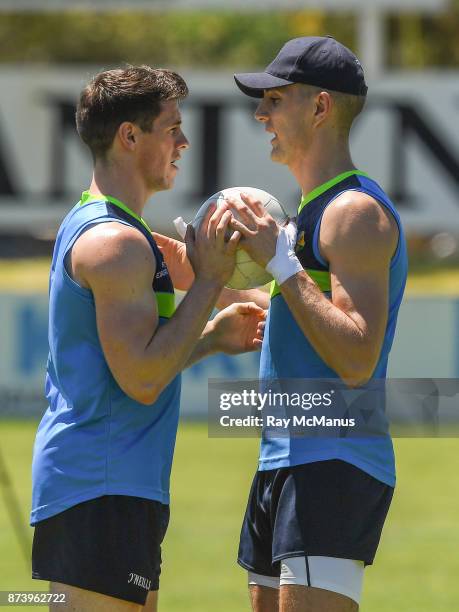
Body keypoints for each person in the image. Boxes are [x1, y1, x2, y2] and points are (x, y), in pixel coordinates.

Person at [158, 36, 407, 612]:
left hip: (333, 460)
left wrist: (282, 263)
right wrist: (201, 274)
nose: (260, 113)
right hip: (285, 458)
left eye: (276, 98)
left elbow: (356, 357)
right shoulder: (315, 211)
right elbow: (299, 314)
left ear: (320, 107)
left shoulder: (353, 213)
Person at [30, 65, 265, 612]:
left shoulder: (123, 231)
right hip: (100, 484)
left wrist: (212, 334)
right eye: (171, 127)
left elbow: (149, 352)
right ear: (129, 137)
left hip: (111, 484)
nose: (183, 141)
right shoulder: (115, 243)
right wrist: (208, 280)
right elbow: (141, 378)